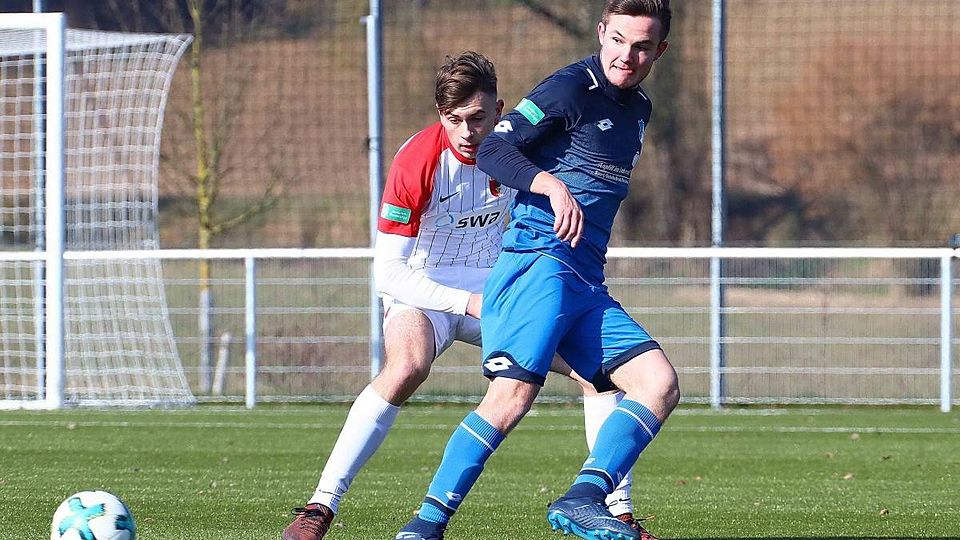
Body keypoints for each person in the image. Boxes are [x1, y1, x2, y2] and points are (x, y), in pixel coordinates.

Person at [283, 51, 639, 540]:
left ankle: (617, 512)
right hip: (423, 289)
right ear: (441, 116)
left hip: (497, 288)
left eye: (477, 118)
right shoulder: (417, 160)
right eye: (454, 120)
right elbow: (388, 273)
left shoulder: (521, 152)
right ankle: (321, 505)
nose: (467, 131)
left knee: (597, 374)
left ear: (499, 110)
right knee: (406, 366)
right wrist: (467, 303)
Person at [394, 2, 678, 540]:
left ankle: (583, 498)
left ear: (659, 50)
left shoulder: (639, 108)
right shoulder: (569, 88)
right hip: (539, 265)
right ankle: (424, 527)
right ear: (601, 33)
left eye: (642, 46)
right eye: (618, 40)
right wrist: (549, 184)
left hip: (585, 280)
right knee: (511, 398)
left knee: (657, 383)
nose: (627, 55)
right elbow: (494, 149)